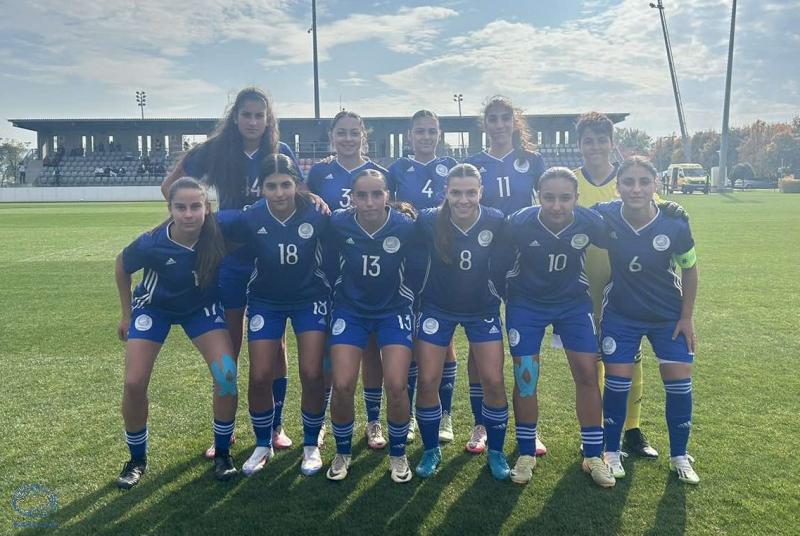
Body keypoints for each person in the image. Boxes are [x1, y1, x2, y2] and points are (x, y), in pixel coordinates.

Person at [163, 87, 305, 457]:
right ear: (235, 117)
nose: (253, 122)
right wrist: (201, 213)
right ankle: (223, 433)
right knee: (229, 347)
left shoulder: (279, 151)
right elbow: (170, 187)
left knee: (274, 345)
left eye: (260, 115)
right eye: (247, 114)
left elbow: (299, 195)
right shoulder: (216, 149)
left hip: (270, 258)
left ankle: (275, 426)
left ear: (268, 119)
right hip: (228, 259)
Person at [114, 177, 237, 489]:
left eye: (196, 206)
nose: (189, 214)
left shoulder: (219, 231)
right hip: (154, 308)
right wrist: (127, 314)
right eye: (181, 207)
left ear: (206, 208)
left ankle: (223, 452)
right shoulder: (151, 242)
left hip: (201, 308)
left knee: (226, 375)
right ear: (170, 209)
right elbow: (122, 265)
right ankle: (136, 459)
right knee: (134, 382)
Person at [497, 167, 615, 487]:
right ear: (538, 196)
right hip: (527, 305)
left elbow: (622, 223)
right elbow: (498, 260)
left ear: (577, 198)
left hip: (572, 304)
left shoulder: (589, 222)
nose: (557, 206)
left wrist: (667, 208)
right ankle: (526, 452)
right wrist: (508, 296)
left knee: (587, 374)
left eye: (565, 198)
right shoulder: (519, 223)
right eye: (548, 198)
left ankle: (593, 455)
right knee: (526, 377)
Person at [217, 154, 329, 476]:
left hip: (310, 299)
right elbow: (205, 222)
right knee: (260, 375)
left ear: (297, 185)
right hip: (266, 301)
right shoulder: (250, 216)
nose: (279, 193)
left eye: (285, 185)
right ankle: (262, 443)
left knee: (312, 373)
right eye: (271, 186)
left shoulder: (317, 213)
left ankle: (310, 444)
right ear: (261, 188)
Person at [593, 156, 700, 484]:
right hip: (621, 314)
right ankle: (612, 451)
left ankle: (679, 455)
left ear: (656, 185)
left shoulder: (675, 224)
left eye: (644, 182)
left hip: (668, 316)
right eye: (628, 182)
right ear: (618, 186)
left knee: (679, 382)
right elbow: (570, 213)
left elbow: (690, 269)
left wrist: (686, 317)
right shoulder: (605, 214)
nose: (636, 189)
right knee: (617, 382)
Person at [413, 163, 511, 481]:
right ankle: (431, 450)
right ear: (446, 192)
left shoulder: (496, 220)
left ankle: (496, 451)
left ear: (481, 192)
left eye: (471, 192)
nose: (464, 199)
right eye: (456, 192)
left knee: (493, 381)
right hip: (437, 308)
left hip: (482, 309)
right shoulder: (429, 220)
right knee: (428, 380)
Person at [464, 96, 547, 455]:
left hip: (524, 259)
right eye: (492, 119)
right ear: (484, 125)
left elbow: (550, 201)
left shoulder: (533, 161)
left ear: (515, 122)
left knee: (525, 345)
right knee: (479, 341)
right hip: (482, 258)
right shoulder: (474, 163)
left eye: (504, 118)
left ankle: (529, 427)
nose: (498, 124)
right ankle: (480, 423)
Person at [572, 112, 657, 458]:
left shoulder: (625, 180)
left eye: (601, 140)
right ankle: (595, 431)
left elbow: (654, 212)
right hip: (582, 284)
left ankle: (632, 429)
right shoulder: (570, 181)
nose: (595, 147)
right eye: (588, 141)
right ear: (579, 145)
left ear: (612, 143)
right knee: (590, 360)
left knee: (629, 357)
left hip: (626, 282)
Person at [325, 169, 415, 483]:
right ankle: (342, 452)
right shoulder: (338, 222)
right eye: (361, 195)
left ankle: (398, 453)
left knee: (397, 385)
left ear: (388, 195)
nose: (369, 201)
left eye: (377, 194)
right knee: (342, 385)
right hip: (350, 311)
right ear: (351, 197)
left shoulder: (406, 225)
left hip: (393, 310)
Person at [307, 111, 389, 450]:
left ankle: (373, 420)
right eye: (341, 132)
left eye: (354, 133)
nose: (348, 139)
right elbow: (306, 205)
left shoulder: (379, 173)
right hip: (327, 268)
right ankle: (324, 419)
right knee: (330, 347)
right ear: (332, 136)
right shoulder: (319, 172)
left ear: (363, 136)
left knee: (370, 348)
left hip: (366, 273)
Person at [386, 110, 459, 444]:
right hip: (410, 262)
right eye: (420, 131)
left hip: (445, 262)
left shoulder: (451, 166)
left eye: (432, 131)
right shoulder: (398, 169)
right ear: (410, 135)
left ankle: (446, 414)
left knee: (446, 341)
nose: (426, 137)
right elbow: (385, 203)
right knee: (415, 339)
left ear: (439, 134)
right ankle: (414, 414)